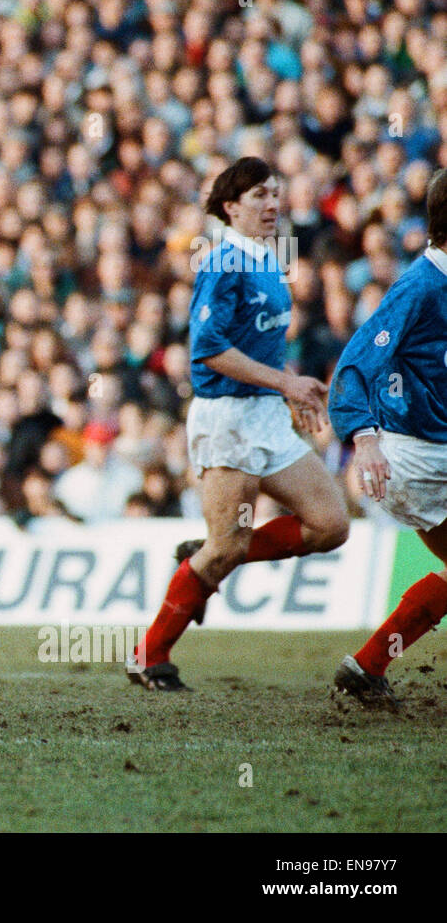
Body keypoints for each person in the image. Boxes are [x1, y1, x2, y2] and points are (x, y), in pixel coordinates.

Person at [130, 157, 349, 691]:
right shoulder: (222, 262)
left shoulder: (270, 259)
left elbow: (259, 343)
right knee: (227, 546)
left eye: (276, 193)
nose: (273, 203)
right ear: (230, 208)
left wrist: (288, 384)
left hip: (266, 414)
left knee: (330, 524)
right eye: (258, 196)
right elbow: (206, 351)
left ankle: (201, 560)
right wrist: (285, 383)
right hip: (226, 418)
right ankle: (149, 654)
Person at [328, 168, 447, 709]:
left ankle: (369, 664)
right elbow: (354, 365)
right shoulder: (419, 287)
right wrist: (364, 438)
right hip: (415, 456)